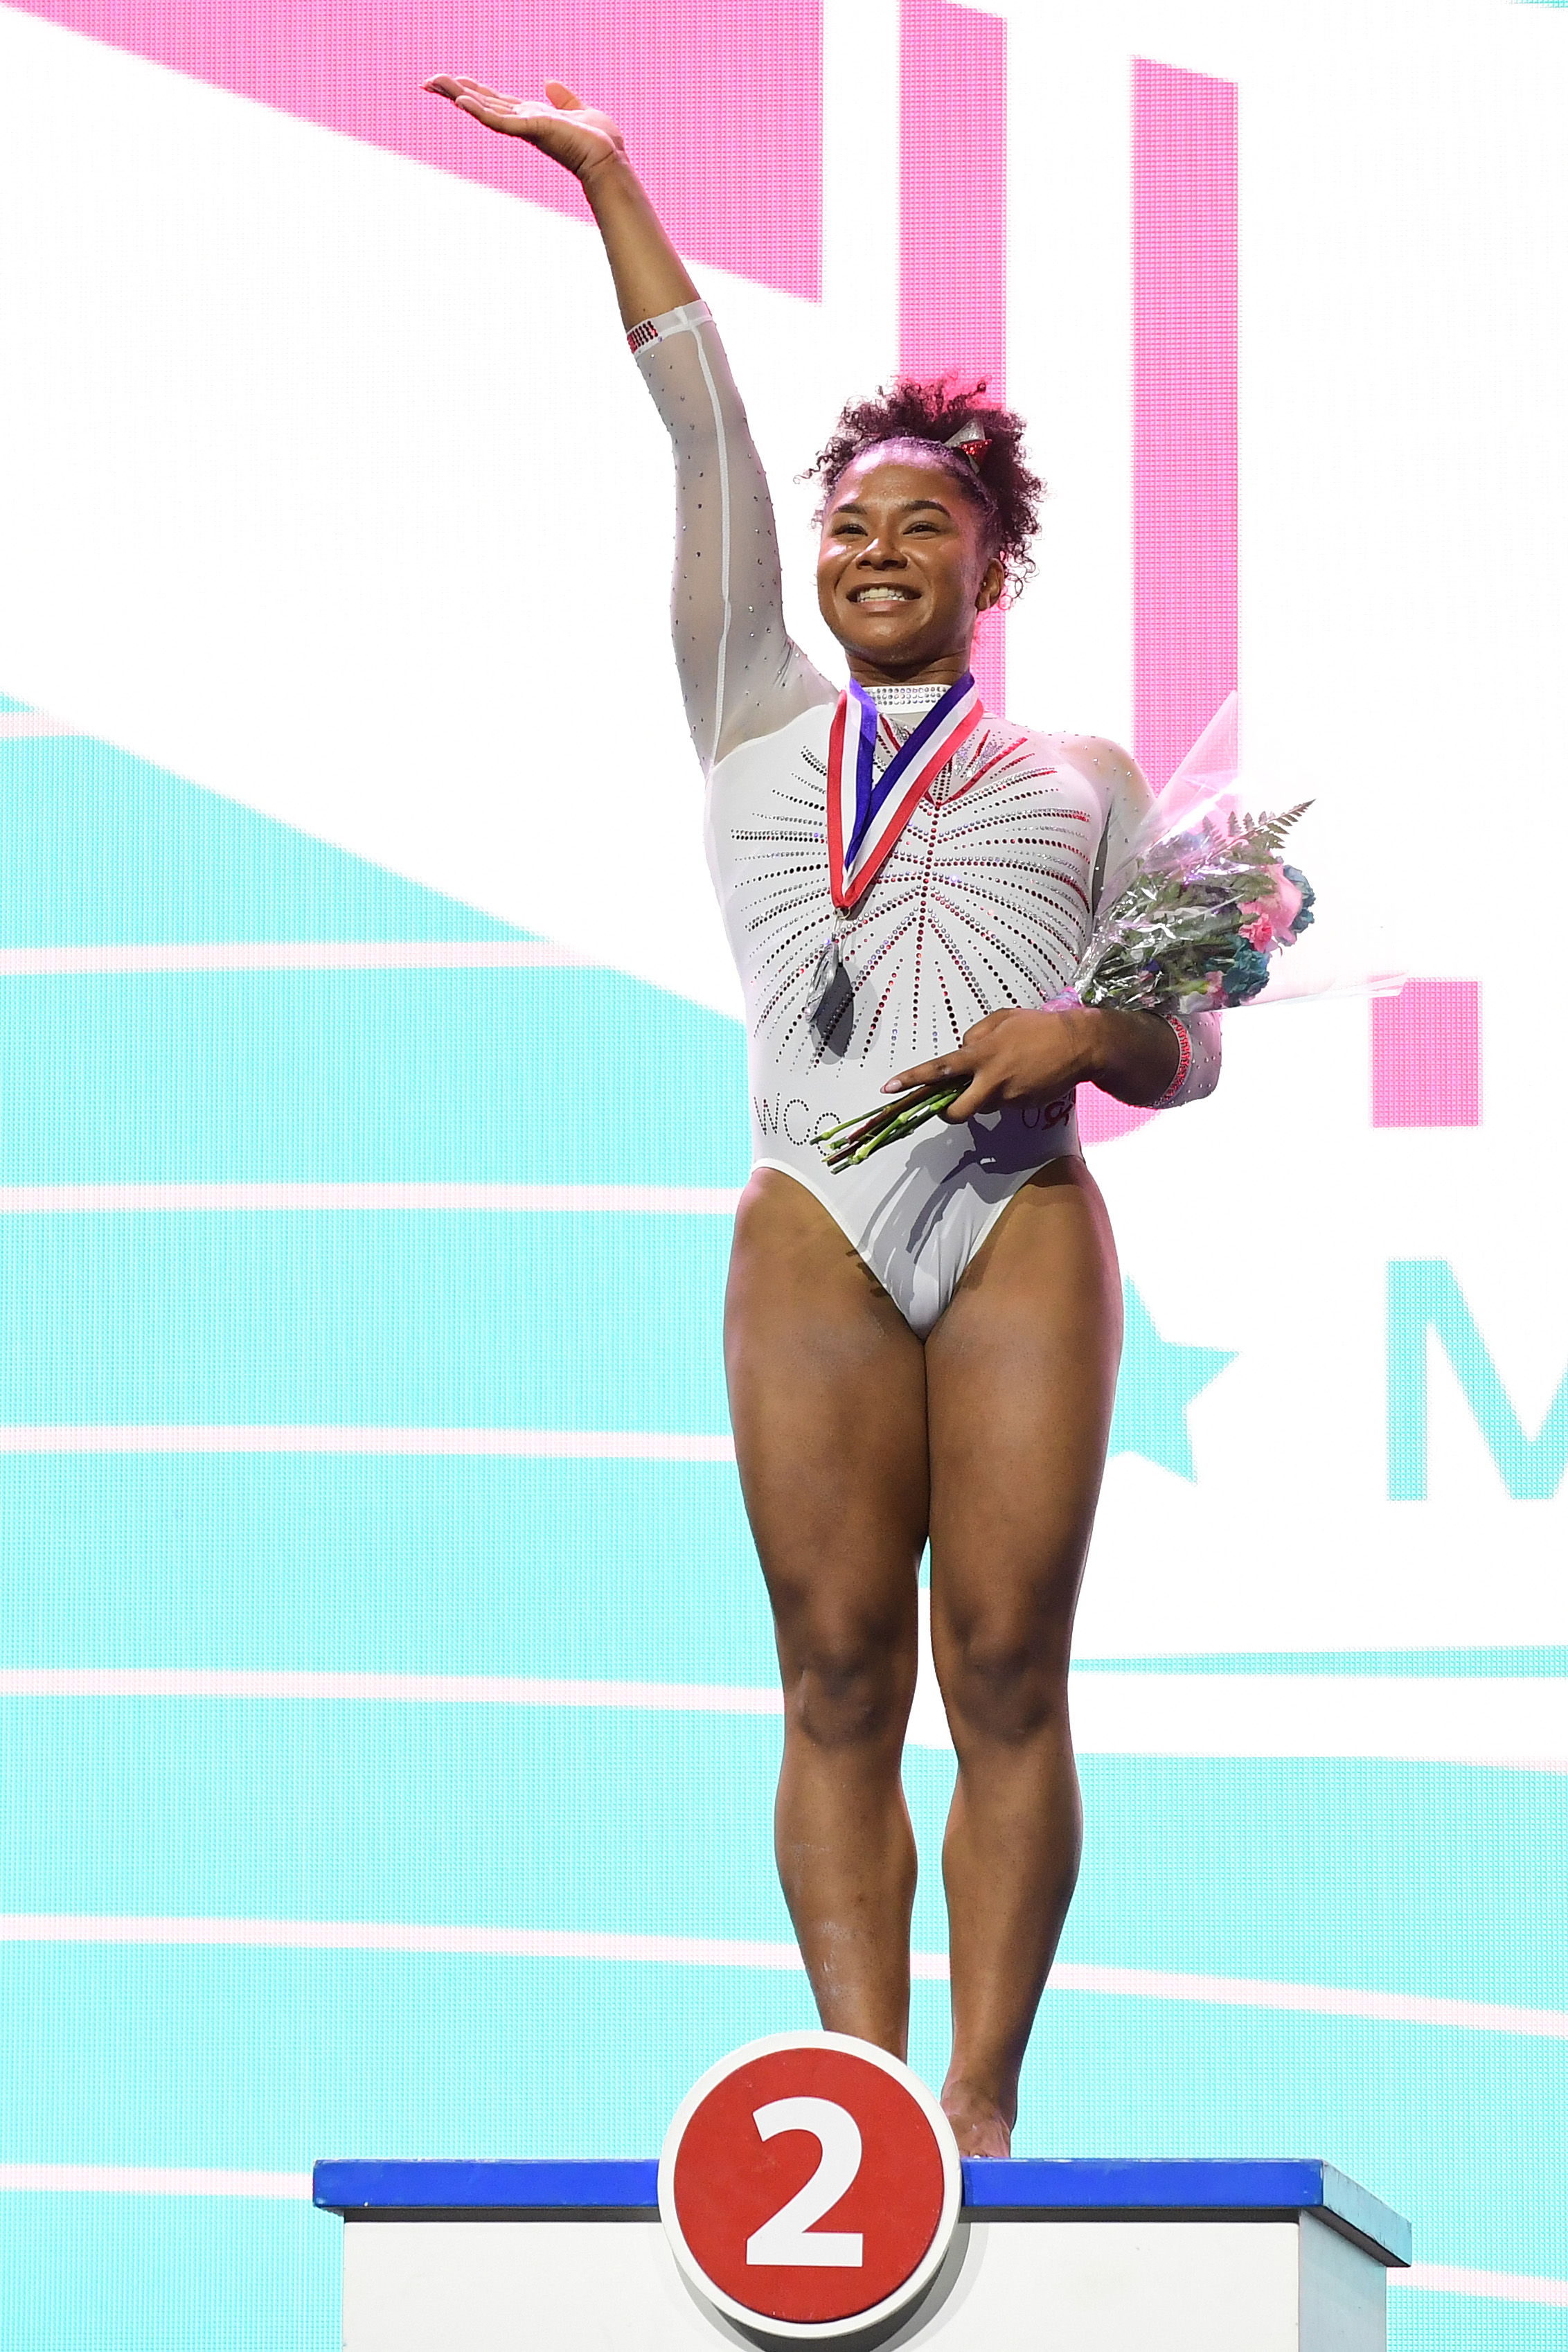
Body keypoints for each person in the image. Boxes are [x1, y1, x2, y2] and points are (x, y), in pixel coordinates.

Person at [424, 75, 1220, 2157]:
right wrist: (616, 172)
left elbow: (1185, 1047)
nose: (870, 549)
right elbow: (699, 436)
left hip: (1023, 1217)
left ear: (992, 561)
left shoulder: (1090, 782)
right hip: (817, 1217)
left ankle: (980, 2103)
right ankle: (863, 2097)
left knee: (1009, 1668)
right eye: (848, 520)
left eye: (918, 525)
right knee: (838, 1669)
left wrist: (1087, 1038)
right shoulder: (751, 712)